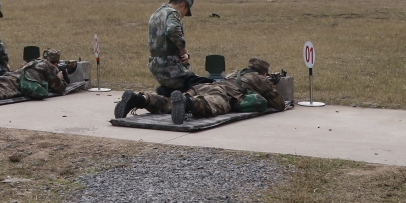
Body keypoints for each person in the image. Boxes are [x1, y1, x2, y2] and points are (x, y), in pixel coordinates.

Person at [115, 57, 286, 124]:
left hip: (205, 86)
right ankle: (187, 103)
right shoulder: (260, 78)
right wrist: (271, 84)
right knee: (207, 105)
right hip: (222, 94)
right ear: (263, 72)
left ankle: (141, 99)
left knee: (169, 103)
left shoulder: (237, 71)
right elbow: (279, 104)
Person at [147, 0, 209, 94]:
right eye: (186, 11)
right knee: (204, 85)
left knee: (171, 91)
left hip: (157, 68)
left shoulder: (156, 14)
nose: (184, 15)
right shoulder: (173, 13)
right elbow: (172, 30)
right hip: (171, 70)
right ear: (182, 4)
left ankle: (162, 94)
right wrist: (183, 49)